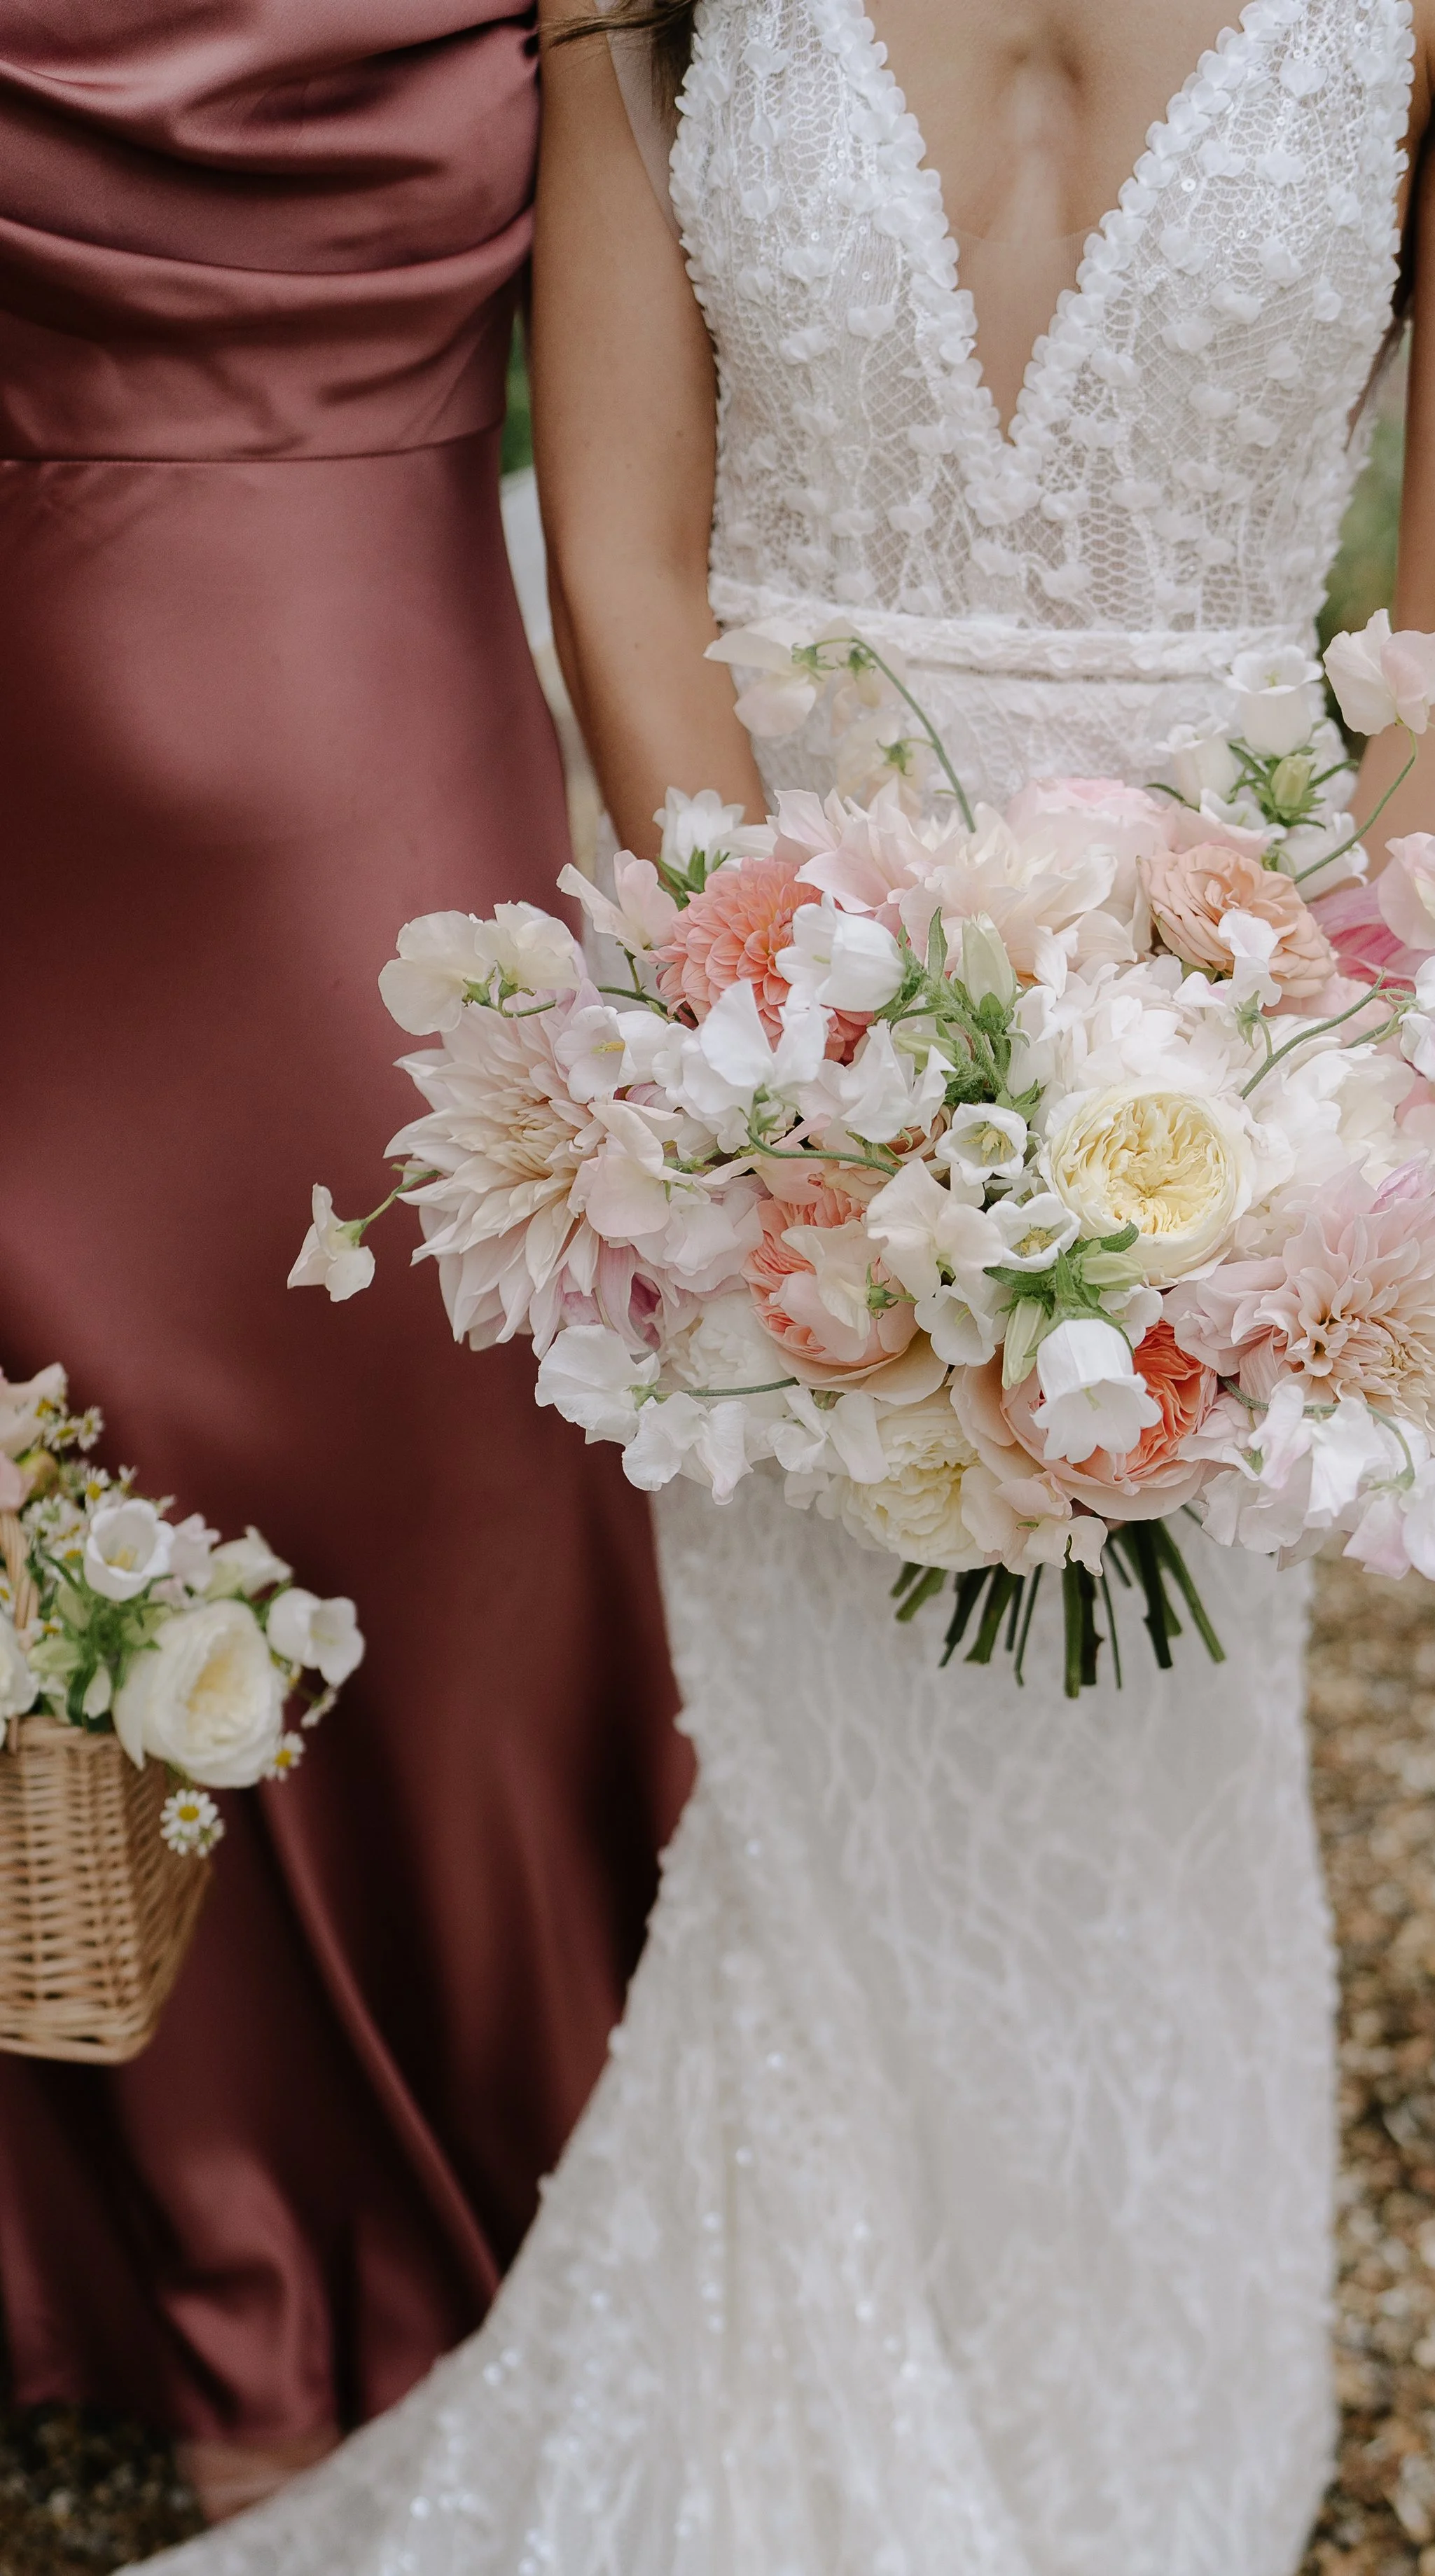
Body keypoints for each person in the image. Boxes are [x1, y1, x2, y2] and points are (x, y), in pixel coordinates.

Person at [131, 0, 1435, 2565]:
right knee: (821, 1795)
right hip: (785, 1099)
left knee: (1150, 1770)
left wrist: (1315, 1074)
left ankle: (1145, 2452)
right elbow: (622, 540)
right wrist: (780, 1053)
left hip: (1233, 1066)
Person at [0, 0, 686, 2523]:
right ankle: (200, 2279)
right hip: (54, 795)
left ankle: (497, 2218)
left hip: (382, 792)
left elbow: (654, 448)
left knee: (442, 1507)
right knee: (71, 1520)